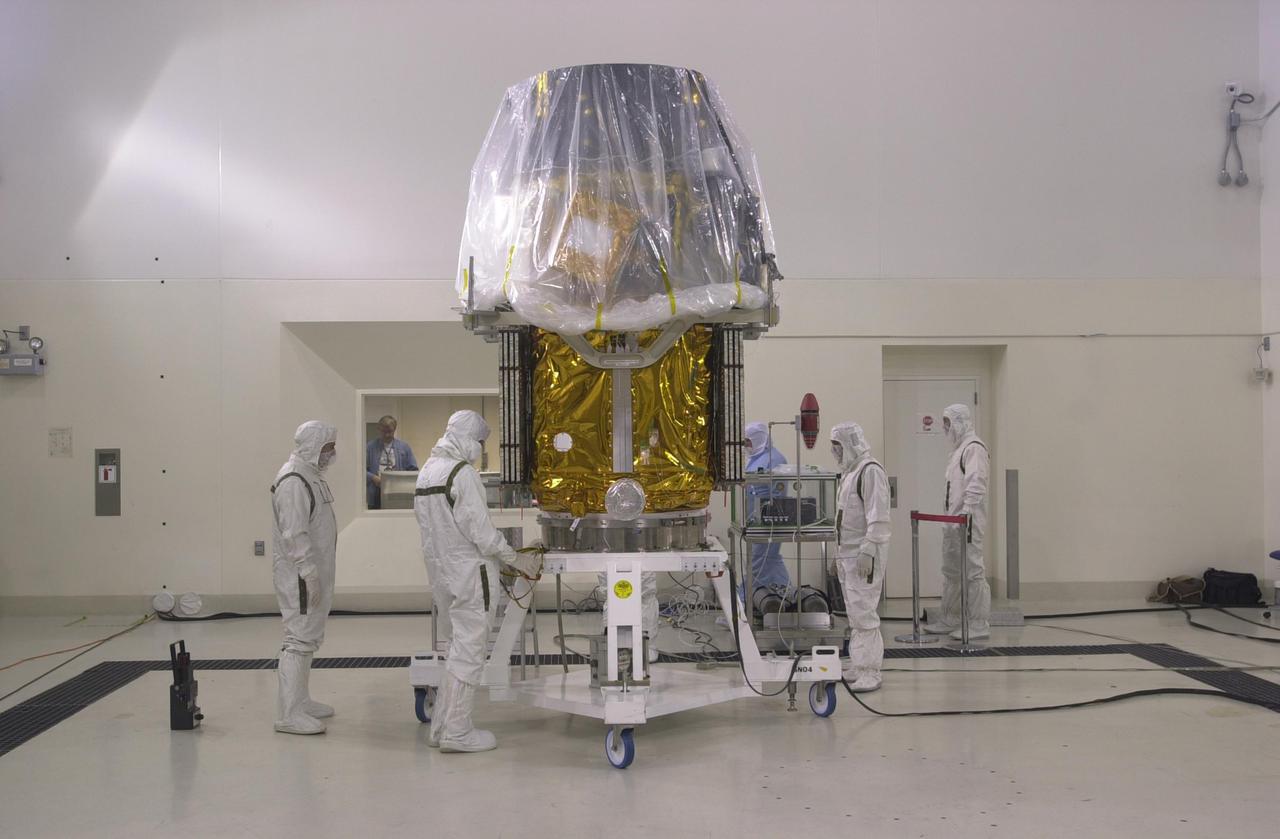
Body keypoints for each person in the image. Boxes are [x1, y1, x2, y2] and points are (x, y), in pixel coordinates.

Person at [415, 410, 540, 753]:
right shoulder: (462, 474)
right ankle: (457, 732)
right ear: (468, 438)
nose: (481, 449)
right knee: (469, 652)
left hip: (442, 574)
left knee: (457, 649)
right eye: (480, 442)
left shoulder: (427, 472)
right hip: (471, 575)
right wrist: (516, 558)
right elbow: (482, 535)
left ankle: (443, 726)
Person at [271, 421, 339, 735]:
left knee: (308, 635)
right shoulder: (293, 480)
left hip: (313, 571)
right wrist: (308, 571)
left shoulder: (311, 476)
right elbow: (293, 531)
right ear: (313, 446)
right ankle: (288, 713)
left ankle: (301, 700)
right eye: (328, 447)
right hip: (300, 573)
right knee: (298, 638)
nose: (332, 453)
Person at [830, 422, 890, 692]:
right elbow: (844, 519)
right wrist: (838, 553)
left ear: (849, 444)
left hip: (863, 555)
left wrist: (868, 550)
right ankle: (858, 663)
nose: (835, 453)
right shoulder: (850, 473)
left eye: (838, 447)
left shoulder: (870, 471)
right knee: (854, 614)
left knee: (865, 613)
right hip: (848, 555)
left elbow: (878, 518)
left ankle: (870, 671)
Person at [924, 404, 991, 640]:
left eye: (947, 423)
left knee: (972, 571)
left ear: (960, 422)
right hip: (953, 522)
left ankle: (979, 622)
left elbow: (976, 484)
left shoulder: (974, 448)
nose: (944, 428)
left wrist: (968, 515)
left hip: (967, 522)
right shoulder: (958, 450)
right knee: (952, 571)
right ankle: (950, 617)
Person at [744, 422, 791, 593]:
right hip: (755, 520)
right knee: (770, 560)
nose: (746, 446)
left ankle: (745, 602)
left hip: (767, 521)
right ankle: (787, 595)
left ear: (759, 440)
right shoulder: (756, 459)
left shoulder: (776, 459)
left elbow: (777, 493)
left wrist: (767, 518)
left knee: (759, 561)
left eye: (748, 442)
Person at [366, 415, 418, 509]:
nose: (387, 435)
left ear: (395, 429)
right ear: (378, 429)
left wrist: (401, 479)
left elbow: (414, 470)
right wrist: (373, 477)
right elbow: (360, 471)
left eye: (390, 431)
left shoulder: (404, 447)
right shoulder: (370, 447)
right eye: (384, 432)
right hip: (375, 493)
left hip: (398, 492)